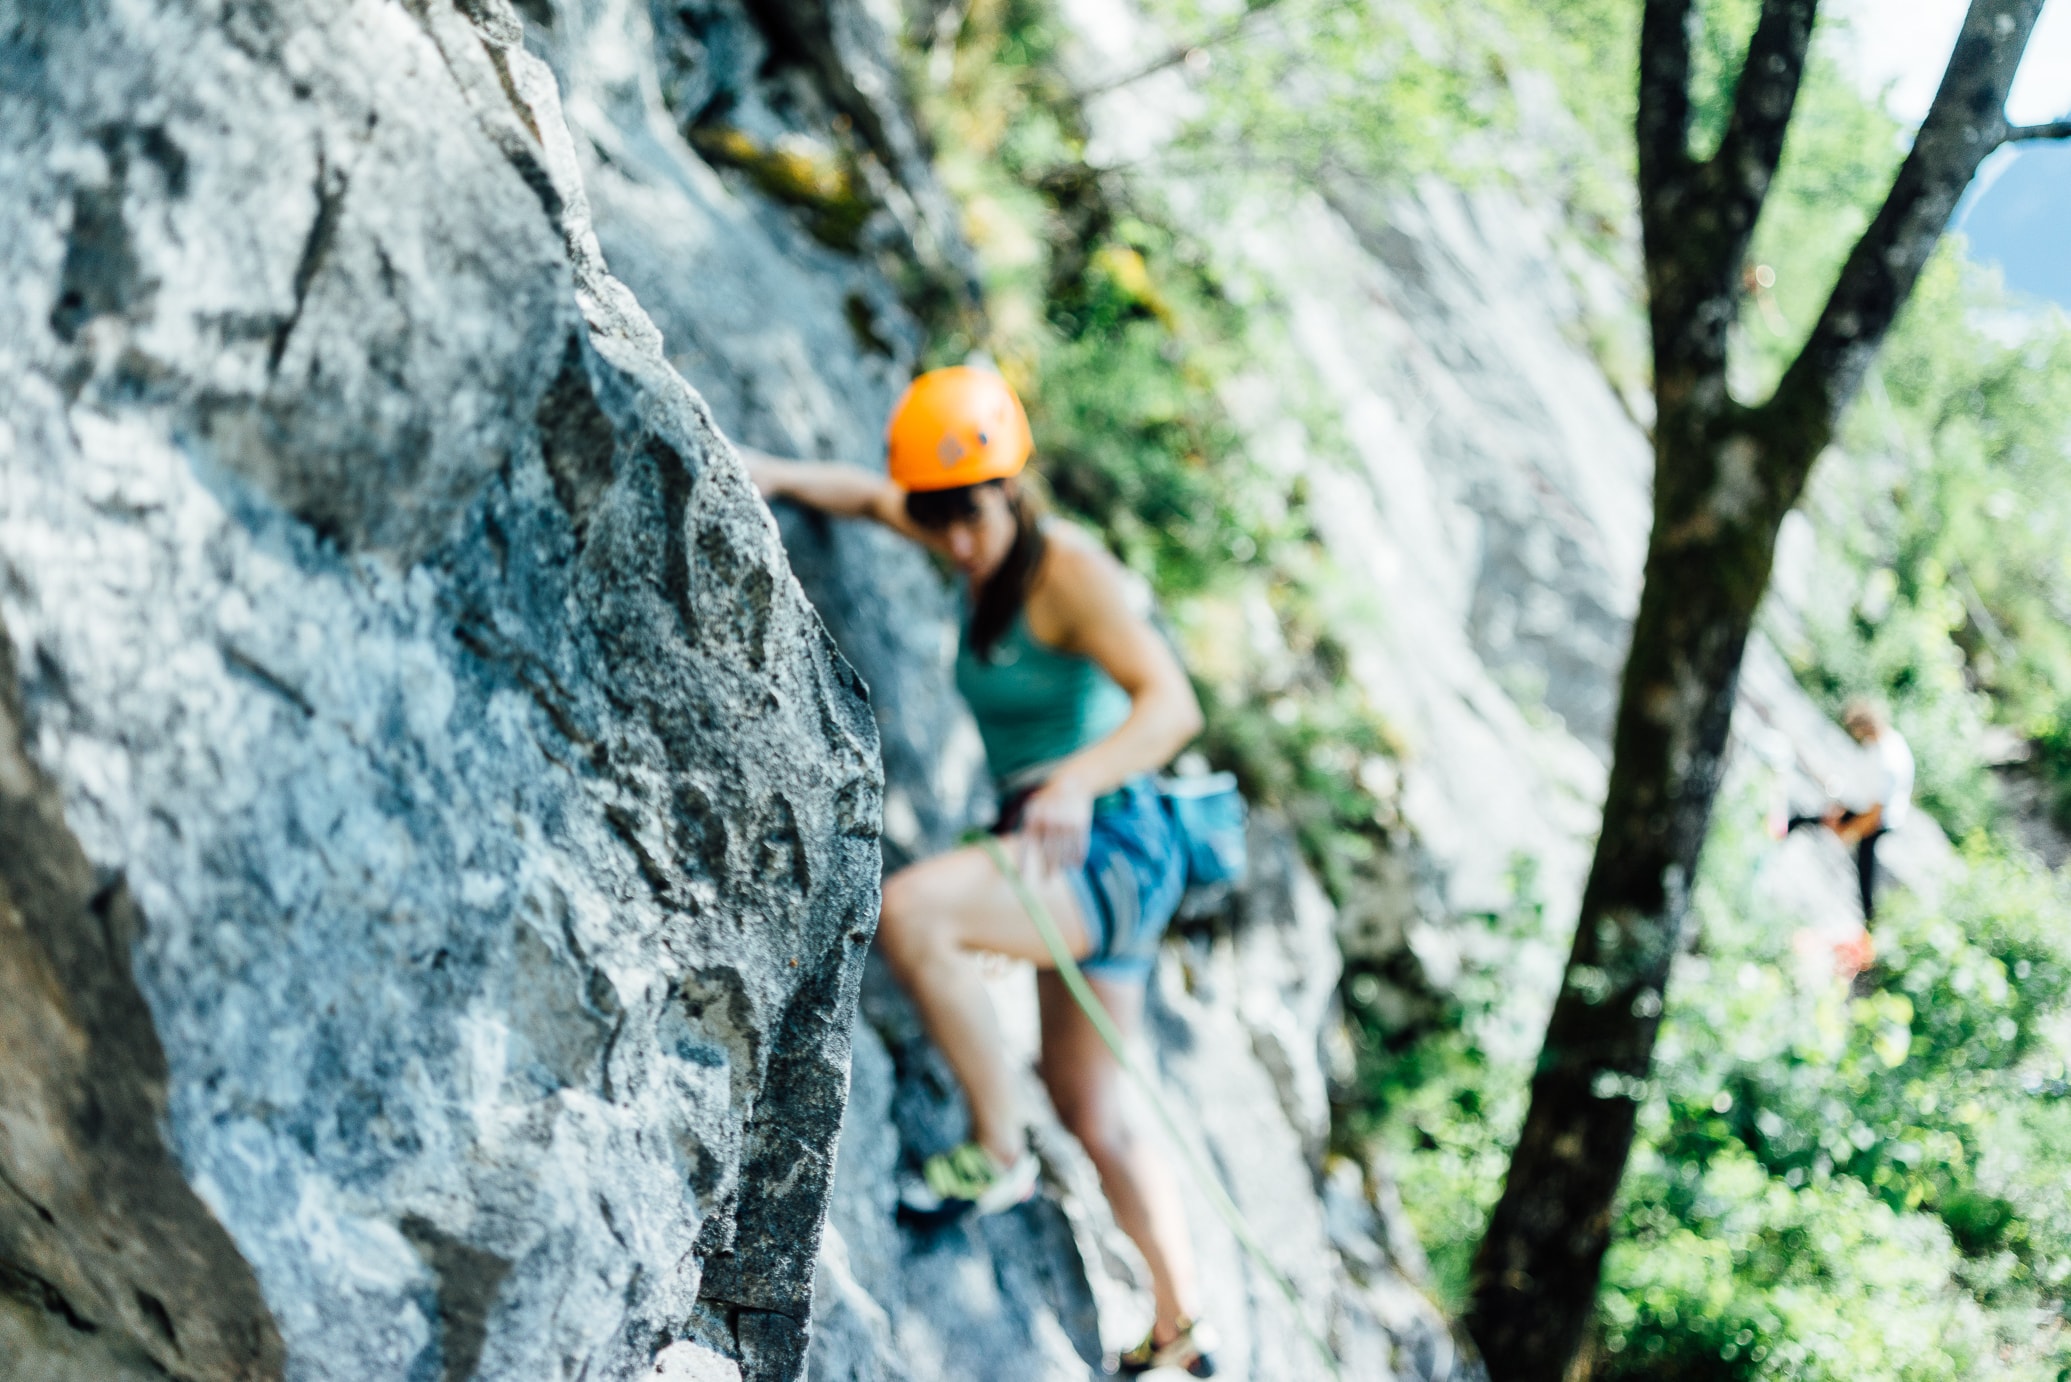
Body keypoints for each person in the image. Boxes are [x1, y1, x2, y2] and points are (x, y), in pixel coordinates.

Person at [747, 366, 1218, 1378]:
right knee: (1093, 1107)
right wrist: (767, 472)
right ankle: (1182, 1332)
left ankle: (996, 1154)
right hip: (1083, 853)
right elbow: (870, 498)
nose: (955, 540)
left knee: (916, 913)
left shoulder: (1067, 571)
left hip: (1108, 841)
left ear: (1010, 485)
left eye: (969, 514)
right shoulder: (975, 545)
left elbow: (1172, 704)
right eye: (941, 518)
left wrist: (1077, 780)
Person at [1782, 697, 1915, 924]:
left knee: (1865, 875)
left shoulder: (1888, 759)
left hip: (1878, 819)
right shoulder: (1885, 743)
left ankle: (1871, 923)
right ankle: (1785, 830)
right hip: (1865, 809)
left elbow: (1875, 812)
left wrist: (1848, 831)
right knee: (1811, 819)